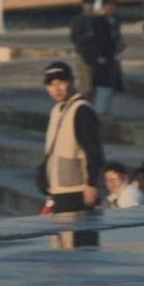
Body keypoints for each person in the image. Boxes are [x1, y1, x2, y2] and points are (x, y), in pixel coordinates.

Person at [40, 62, 104, 214]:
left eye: (61, 83)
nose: (56, 89)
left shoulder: (81, 110)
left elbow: (93, 150)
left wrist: (91, 184)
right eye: (51, 84)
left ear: (71, 82)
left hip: (78, 190)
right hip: (59, 190)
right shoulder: (57, 110)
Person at [94, 0, 125, 115]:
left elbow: (117, 36)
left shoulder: (116, 20)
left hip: (113, 55)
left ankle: (107, 110)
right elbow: (98, 40)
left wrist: (120, 45)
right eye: (109, 6)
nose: (111, 8)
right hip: (103, 55)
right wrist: (100, 55)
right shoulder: (99, 21)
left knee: (112, 82)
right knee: (103, 83)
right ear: (104, 7)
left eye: (113, 6)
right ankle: (100, 109)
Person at [69, 0, 104, 101]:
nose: (89, 6)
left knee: (95, 85)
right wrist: (87, 36)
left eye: (91, 4)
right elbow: (74, 38)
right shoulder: (78, 20)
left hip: (96, 56)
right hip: (82, 55)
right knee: (85, 85)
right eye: (87, 4)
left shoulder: (98, 19)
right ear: (83, 5)